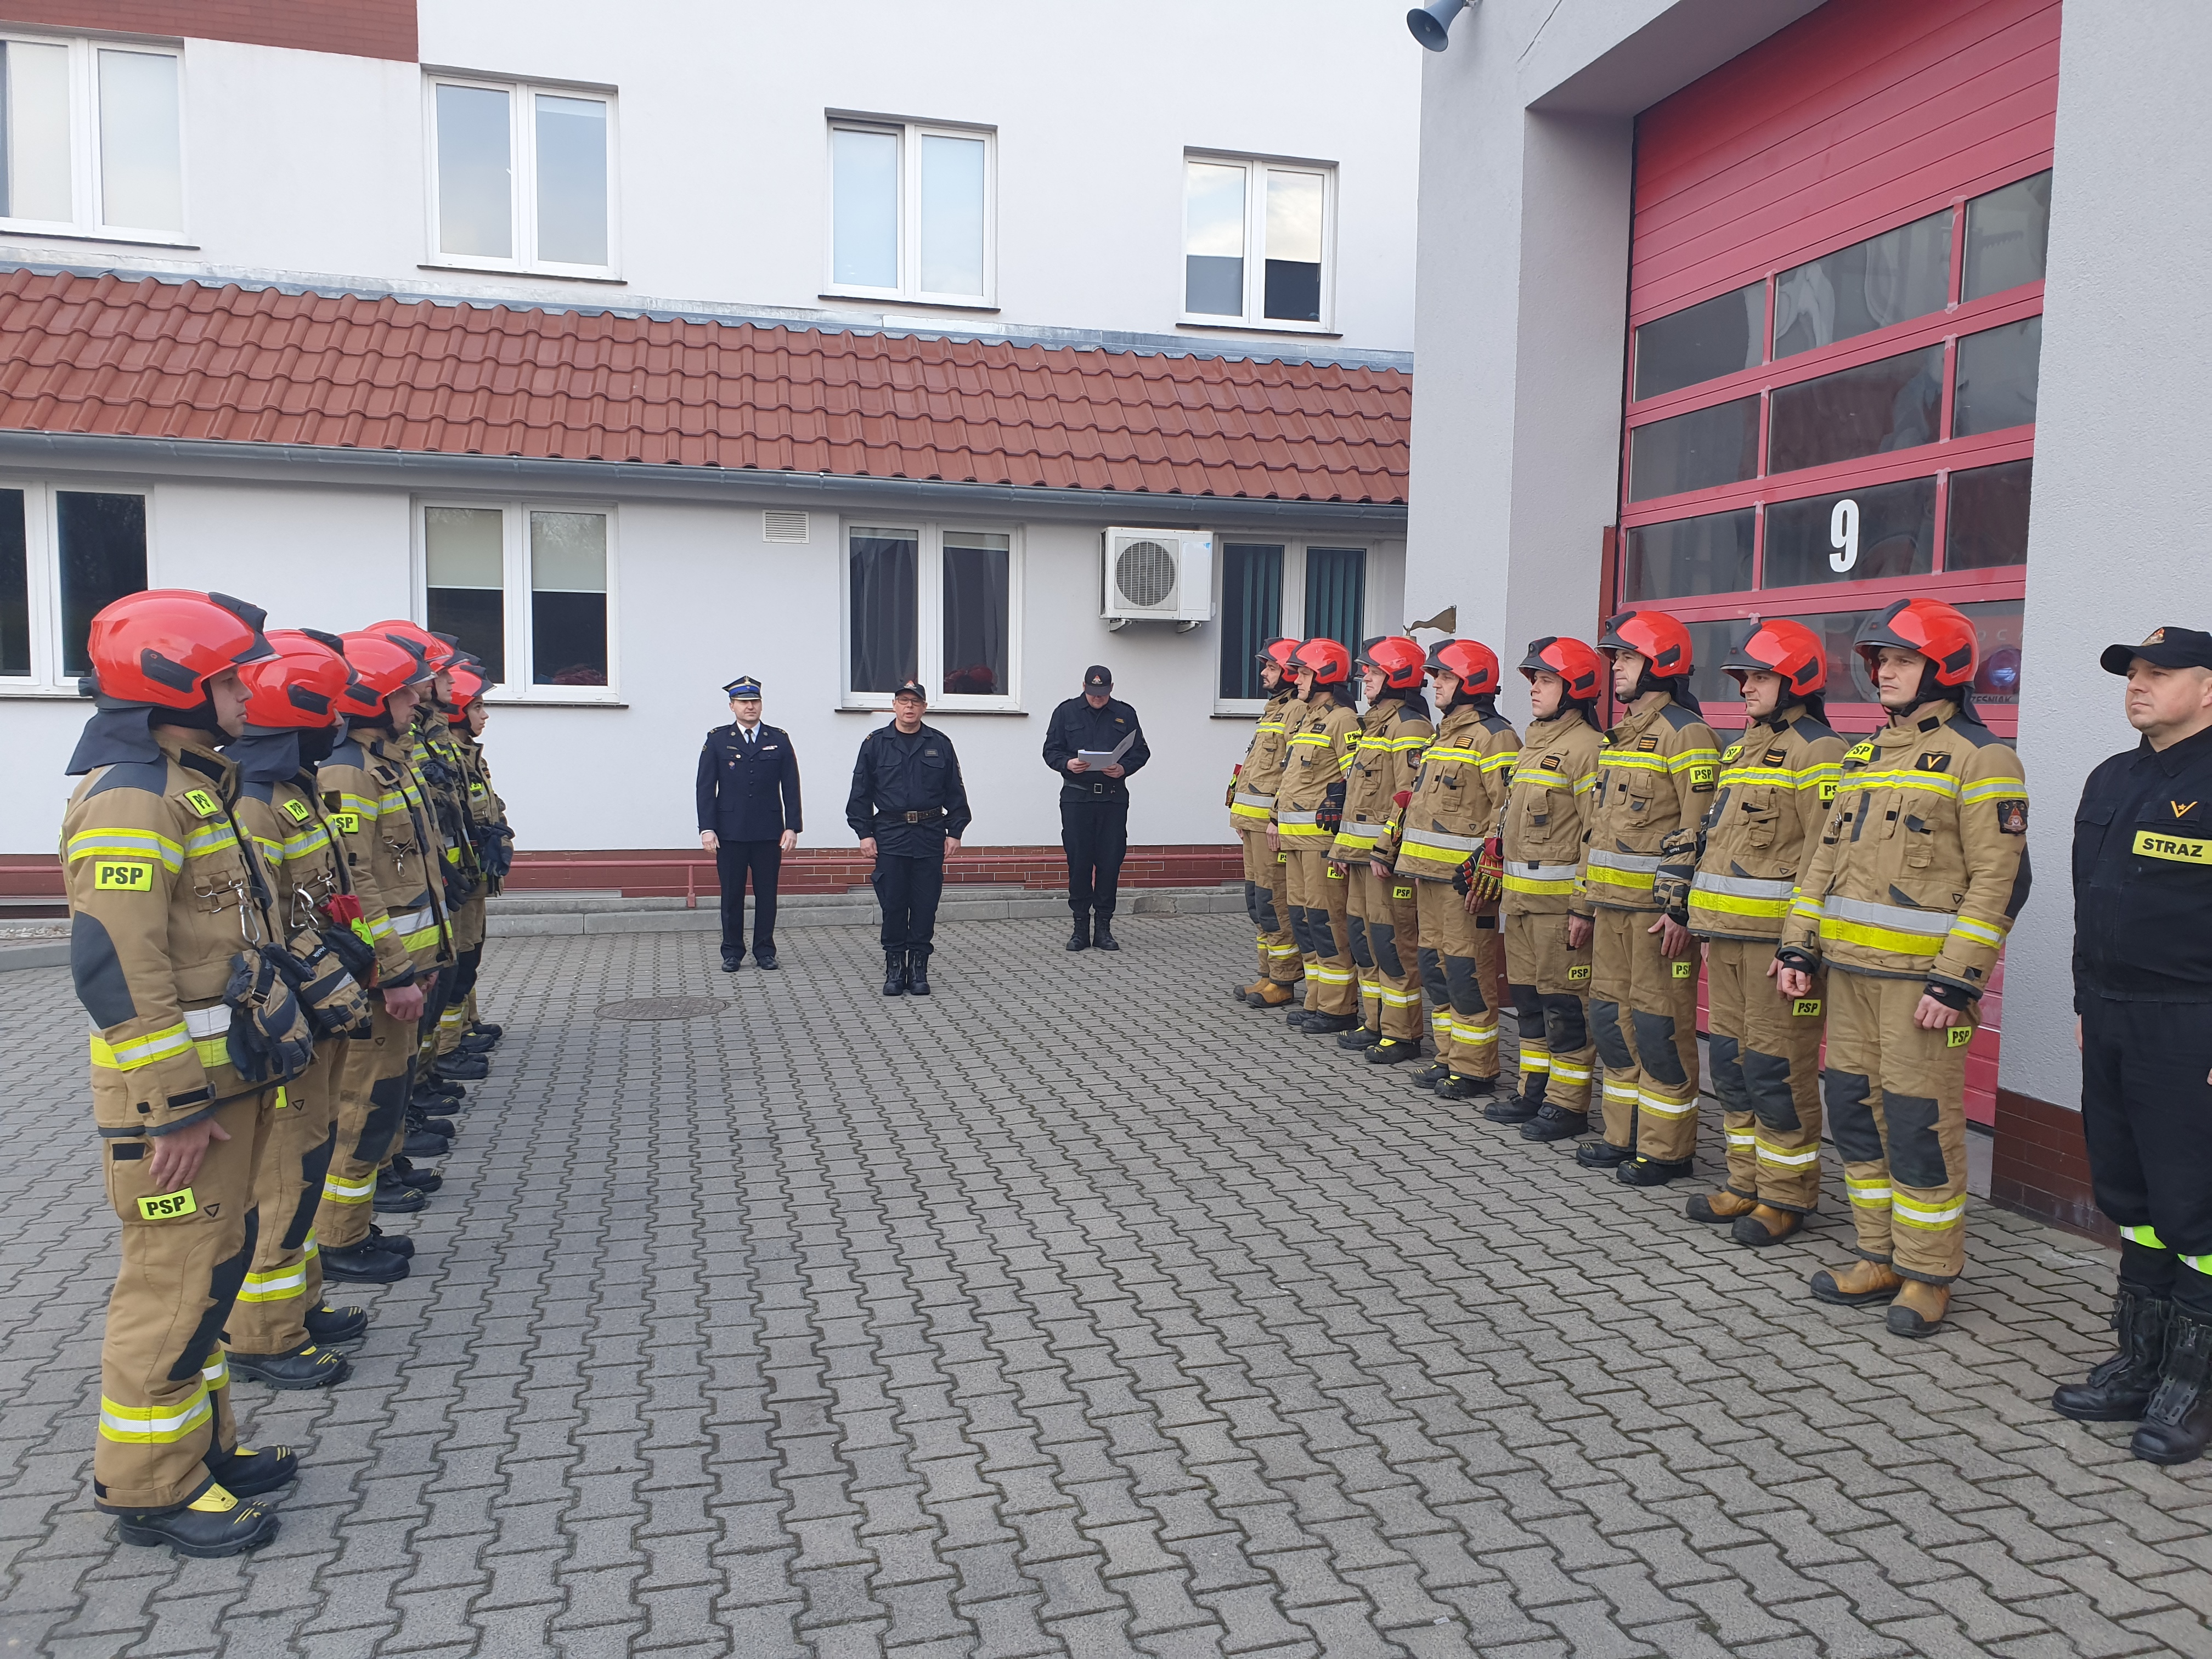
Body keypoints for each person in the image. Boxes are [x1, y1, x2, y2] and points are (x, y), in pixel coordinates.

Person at [60, 588, 300, 1556]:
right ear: (174, 685)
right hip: (177, 1109)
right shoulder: (132, 794)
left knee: (211, 1273)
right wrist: (173, 1106)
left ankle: (201, 1449)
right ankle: (150, 1485)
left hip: (219, 1092)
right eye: (231, 680)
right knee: (171, 1285)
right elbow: (116, 966)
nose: (247, 694)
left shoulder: (190, 780)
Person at [1778, 597, 2030, 1338]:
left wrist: (1957, 980)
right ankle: (1877, 1255)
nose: (1884, 673)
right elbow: (1823, 859)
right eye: (1880, 661)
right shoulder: (1863, 756)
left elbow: (2000, 880)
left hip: (1921, 989)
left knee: (1919, 1126)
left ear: (1944, 668)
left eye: (1901, 660)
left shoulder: (1982, 759)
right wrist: (1798, 945)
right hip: (1849, 976)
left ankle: (1927, 1273)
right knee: (1856, 1115)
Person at [2051, 625, 2212, 1463]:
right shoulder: (2112, 778)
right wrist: (2088, 1003)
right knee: (2135, 1199)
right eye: (2132, 674)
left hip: (2192, 1022)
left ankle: (2195, 1386)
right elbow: (2094, 903)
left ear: (2209, 688)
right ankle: (2142, 1361)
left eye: (2159, 673)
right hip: (2114, 1016)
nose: (2138, 685)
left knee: (2198, 1205)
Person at [222, 629, 375, 1391]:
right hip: (290, 1017)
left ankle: (301, 1304)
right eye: (330, 709)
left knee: (308, 1164)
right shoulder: (254, 804)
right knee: (285, 1177)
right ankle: (264, 1336)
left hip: (318, 1007)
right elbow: (263, 926)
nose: (341, 721)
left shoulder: (291, 789)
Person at [1657, 620, 1844, 1244]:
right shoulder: (1741, 751)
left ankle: (1786, 1197)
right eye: (1744, 677)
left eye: (1761, 676)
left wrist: (1802, 944)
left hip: (1774, 949)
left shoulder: (1820, 751)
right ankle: (1745, 1182)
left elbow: (1824, 856)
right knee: (1734, 1068)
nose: (1746, 688)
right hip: (1726, 937)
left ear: (1797, 680)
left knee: (1776, 1071)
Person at [312, 633, 449, 1278]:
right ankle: (339, 1239)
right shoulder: (349, 771)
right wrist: (392, 968)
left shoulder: (384, 762)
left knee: (385, 1097)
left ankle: (357, 1219)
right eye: (405, 693)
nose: (417, 701)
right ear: (371, 698)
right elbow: (358, 881)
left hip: (402, 968)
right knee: (361, 1106)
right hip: (379, 976)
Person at [1576, 609, 1721, 1186]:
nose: (1616, 668)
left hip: (1657, 918)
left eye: (1628, 658)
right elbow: (1596, 831)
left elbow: (1699, 828)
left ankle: (1666, 1149)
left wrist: (1681, 910)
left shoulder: (1687, 734)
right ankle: (1622, 1136)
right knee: (1612, 1021)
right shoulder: (1619, 737)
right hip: (1610, 907)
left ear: (1662, 663)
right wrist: (1584, 903)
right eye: (1615, 659)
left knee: (1660, 1030)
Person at [1381, 639, 1516, 1097]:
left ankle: (1476, 1068)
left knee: (1467, 973)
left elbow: (1505, 808)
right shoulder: (1443, 735)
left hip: (1465, 885)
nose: (1435, 684)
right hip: (1428, 877)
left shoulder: (1495, 736)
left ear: (1472, 682)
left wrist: (1492, 863)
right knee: (1436, 970)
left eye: (1445, 676)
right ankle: (1449, 1057)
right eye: (1435, 676)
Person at [1491, 637, 1608, 1141]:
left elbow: (1594, 835)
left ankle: (1567, 1105)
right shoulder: (1533, 746)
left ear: (1574, 688)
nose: (1534, 690)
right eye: (1533, 681)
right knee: (1530, 1006)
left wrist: (1583, 907)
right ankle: (1533, 1091)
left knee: (1566, 1009)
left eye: (1545, 681)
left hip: (1559, 912)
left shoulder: (1588, 749)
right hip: (1521, 906)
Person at [1333, 637, 1434, 1063]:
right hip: (1358, 858)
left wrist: (1388, 850)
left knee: (1393, 946)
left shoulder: (1409, 727)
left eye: (1373, 672)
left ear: (1397, 676)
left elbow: (1408, 797)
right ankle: (1374, 1023)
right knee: (1366, 942)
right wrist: (1343, 848)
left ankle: (1402, 1033)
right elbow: (1359, 796)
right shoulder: (1374, 724)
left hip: (1383, 862)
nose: (1365, 679)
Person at [847, 680, 971, 996]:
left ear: (924, 707)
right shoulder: (876, 743)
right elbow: (860, 792)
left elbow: (955, 791)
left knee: (925, 904)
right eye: (903, 701)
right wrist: (864, 833)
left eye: (915, 702)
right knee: (893, 903)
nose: (909, 707)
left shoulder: (940, 743)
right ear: (894, 705)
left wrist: (955, 831)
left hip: (930, 834)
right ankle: (894, 968)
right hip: (890, 834)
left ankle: (918, 969)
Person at [1271, 640, 1363, 1035]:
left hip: (1321, 845)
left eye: (1305, 674)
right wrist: (1275, 819)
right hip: (1294, 842)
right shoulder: (1306, 720)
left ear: (1326, 676)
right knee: (1305, 922)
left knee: (1328, 923)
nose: (1297, 680)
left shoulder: (1343, 720)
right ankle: (1316, 999)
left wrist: (1344, 841)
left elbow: (1355, 782)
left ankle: (1338, 1007)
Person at [697, 674, 803, 971]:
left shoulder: (778, 739)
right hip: (730, 832)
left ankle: (765, 950)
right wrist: (707, 828)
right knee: (732, 895)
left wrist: (792, 826)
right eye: (743, 702)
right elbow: (705, 787)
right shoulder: (718, 740)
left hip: (768, 831)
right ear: (732, 706)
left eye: (755, 701)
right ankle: (732, 952)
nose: (750, 707)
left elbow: (791, 785)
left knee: (767, 894)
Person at [1043, 665, 1150, 952]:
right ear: (1084, 687)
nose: (1097, 698)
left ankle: (1104, 927)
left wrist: (1124, 768)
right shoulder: (1066, 712)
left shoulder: (1125, 713)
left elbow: (1141, 751)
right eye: (1092, 692)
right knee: (1079, 862)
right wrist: (1067, 764)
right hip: (1077, 798)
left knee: (1109, 862)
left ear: (1111, 689)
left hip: (1113, 799)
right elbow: (1050, 750)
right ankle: (1080, 928)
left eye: (1102, 693)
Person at [1227, 637, 1304, 1006]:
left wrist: (1277, 819)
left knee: (1275, 904)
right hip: (1253, 825)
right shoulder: (1273, 710)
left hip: (1270, 829)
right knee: (1258, 903)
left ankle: (1283, 981)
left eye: (1271, 667)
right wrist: (1240, 815)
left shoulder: (1295, 711)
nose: (1264, 673)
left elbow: (1292, 773)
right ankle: (1266, 974)